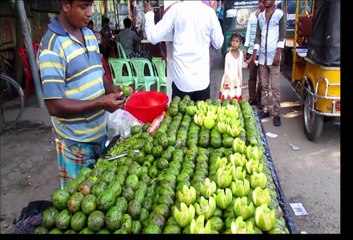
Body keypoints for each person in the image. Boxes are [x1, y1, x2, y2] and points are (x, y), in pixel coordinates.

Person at [37, 0, 127, 189]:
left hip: (99, 132)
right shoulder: (52, 46)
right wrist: (100, 103)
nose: (90, 13)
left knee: (100, 193)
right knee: (78, 200)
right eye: (83, 6)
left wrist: (112, 89)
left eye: (91, 6)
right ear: (66, 5)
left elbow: (98, 74)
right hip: (75, 142)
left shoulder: (89, 34)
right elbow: (54, 106)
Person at [144, 1, 224, 102]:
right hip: (202, 81)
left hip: (182, 81)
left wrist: (149, 15)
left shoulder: (176, 10)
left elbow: (153, 37)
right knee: (202, 116)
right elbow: (218, 43)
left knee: (179, 117)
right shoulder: (209, 12)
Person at [252, 0, 287, 126]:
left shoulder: (279, 14)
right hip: (262, 57)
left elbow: (282, 36)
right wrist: (255, 52)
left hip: (274, 56)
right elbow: (258, 35)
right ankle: (266, 109)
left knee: (275, 87)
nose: (265, 1)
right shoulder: (260, 16)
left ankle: (276, 113)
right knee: (264, 85)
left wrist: (278, 53)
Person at [243, 0, 265, 109]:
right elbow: (248, 32)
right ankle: (252, 98)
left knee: (262, 79)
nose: (261, 4)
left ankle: (259, 99)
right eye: (260, 2)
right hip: (251, 51)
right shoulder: (252, 17)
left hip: (262, 53)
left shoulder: (266, 18)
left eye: (263, 2)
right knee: (252, 77)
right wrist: (246, 48)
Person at [220, 32, 244, 101]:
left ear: (240, 43)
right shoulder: (228, 55)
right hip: (229, 80)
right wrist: (227, 82)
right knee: (228, 97)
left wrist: (240, 80)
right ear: (230, 42)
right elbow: (226, 70)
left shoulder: (241, 54)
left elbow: (240, 69)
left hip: (237, 80)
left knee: (236, 98)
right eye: (233, 41)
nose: (234, 43)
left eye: (237, 41)